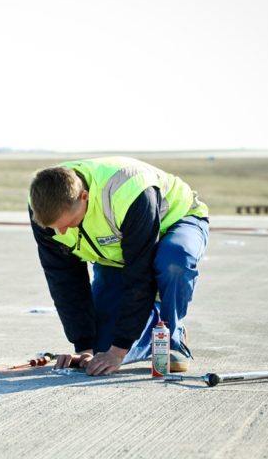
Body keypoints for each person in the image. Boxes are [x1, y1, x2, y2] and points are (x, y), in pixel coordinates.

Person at [28, 156, 209, 375]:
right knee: (101, 352)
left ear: (84, 197)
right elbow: (63, 280)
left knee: (174, 262)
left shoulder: (128, 190)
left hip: (176, 222)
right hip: (118, 252)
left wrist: (119, 352)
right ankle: (154, 333)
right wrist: (85, 347)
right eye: (57, 228)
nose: (63, 232)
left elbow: (140, 275)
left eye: (69, 224)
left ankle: (172, 336)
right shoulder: (43, 205)